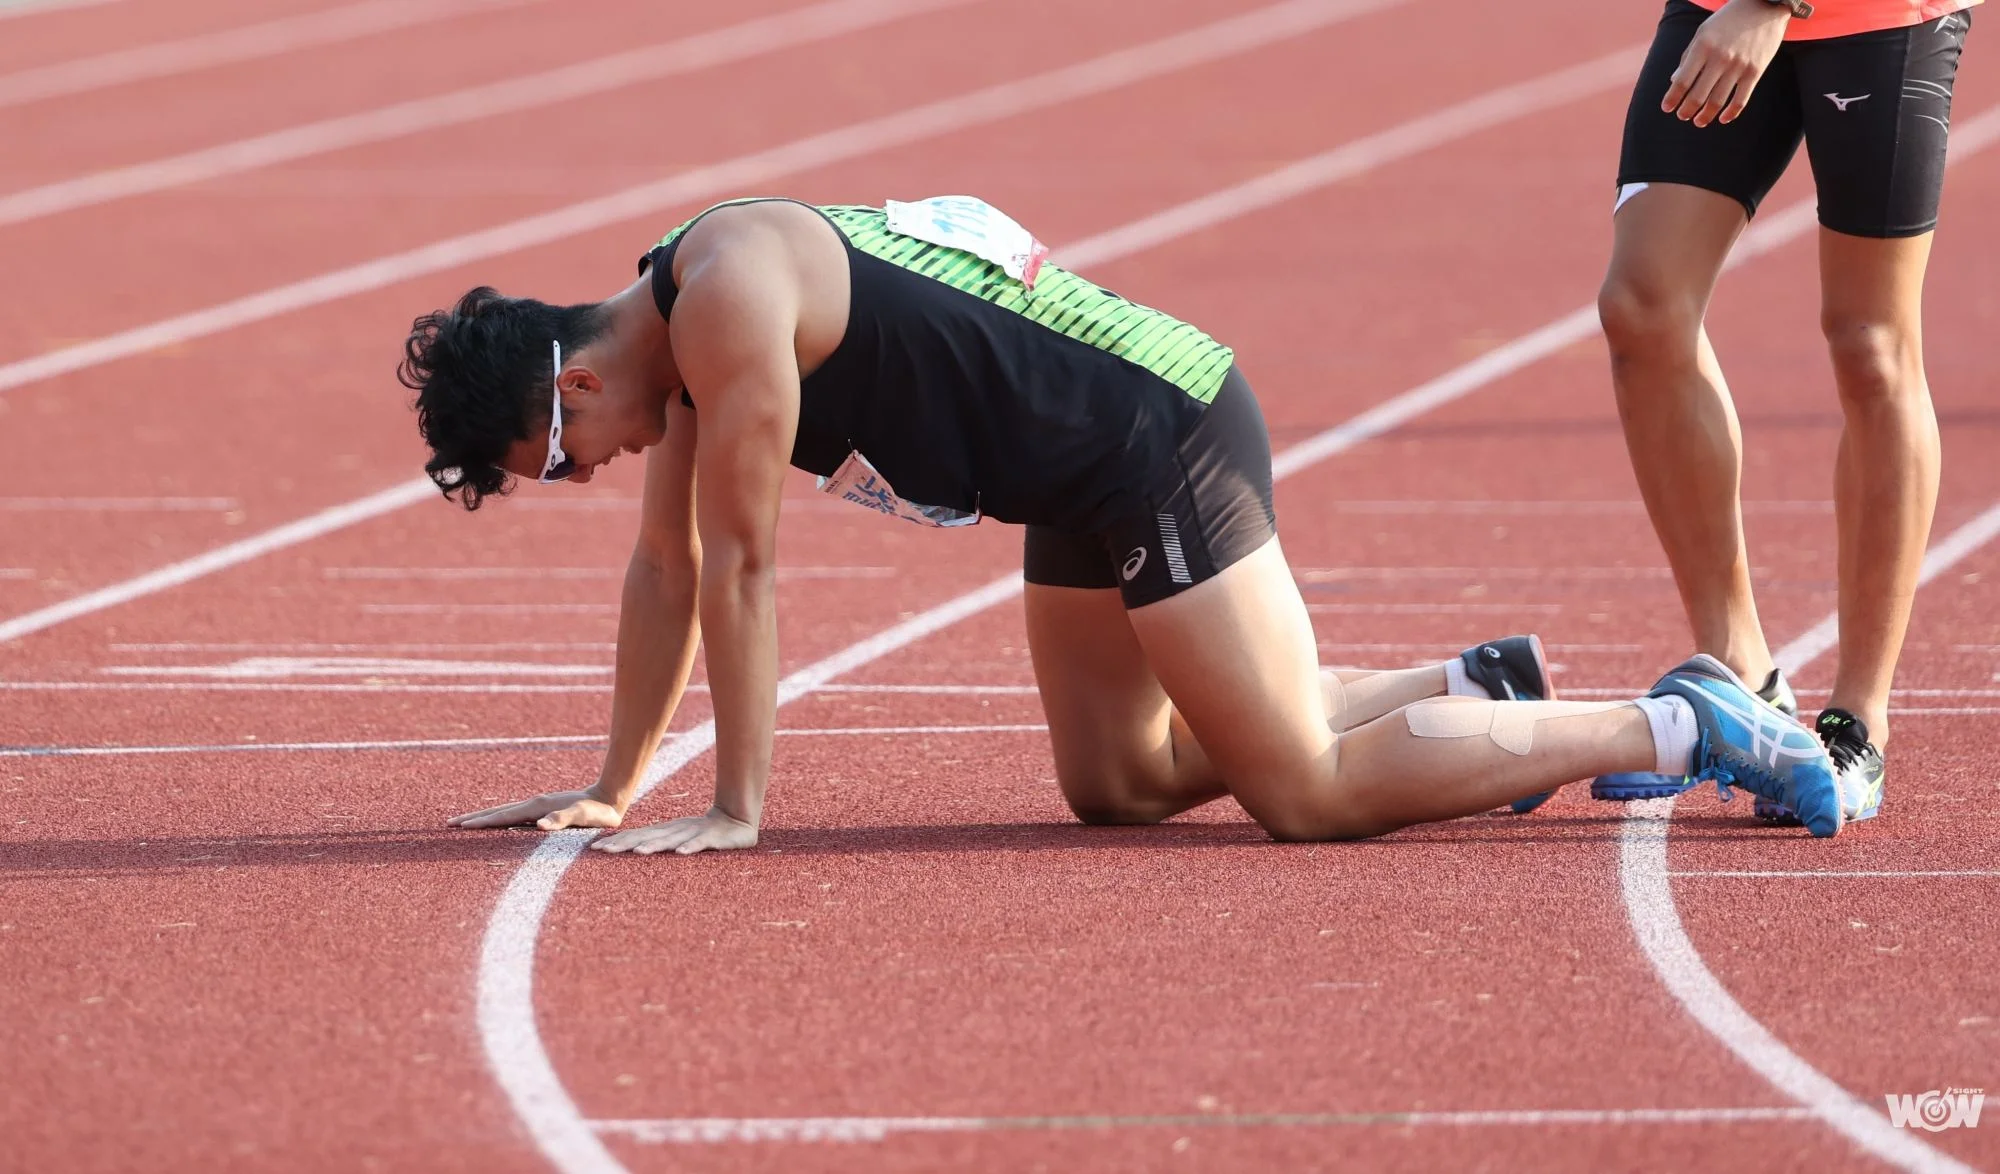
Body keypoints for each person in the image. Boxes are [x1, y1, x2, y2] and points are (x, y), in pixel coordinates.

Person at [397, 196, 1844, 851]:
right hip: (1074, 479)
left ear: (573, 380)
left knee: (1303, 793)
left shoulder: (724, 306)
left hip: (1157, 435)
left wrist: (738, 808)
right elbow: (669, 566)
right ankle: (1468, 698)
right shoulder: (680, 320)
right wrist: (612, 780)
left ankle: (1681, 722)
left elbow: (744, 565)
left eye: (565, 457)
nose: (598, 468)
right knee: (1120, 783)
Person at [1567, 0, 1975, 824]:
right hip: (1721, 10)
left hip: (1880, 18)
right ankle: (1740, 678)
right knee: (1642, 306)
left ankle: (1856, 720)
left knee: (1870, 344)